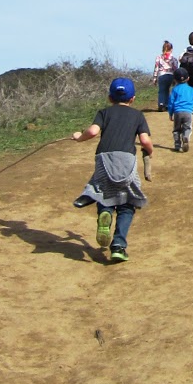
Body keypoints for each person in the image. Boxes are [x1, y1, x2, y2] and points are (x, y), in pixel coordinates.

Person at [70, 76, 153, 263]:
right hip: (126, 161)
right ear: (132, 99)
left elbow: (92, 132)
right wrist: (149, 151)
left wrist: (78, 137)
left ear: (110, 98)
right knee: (128, 202)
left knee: (104, 192)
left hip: (103, 159)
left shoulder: (104, 112)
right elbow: (146, 141)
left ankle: (104, 211)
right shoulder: (138, 116)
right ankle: (118, 246)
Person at [167, 71, 193, 151]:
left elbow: (171, 102)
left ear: (175, 79)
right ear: (188, 78)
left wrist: (170, 113)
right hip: (188, 112)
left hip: (177, 112)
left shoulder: (174, 89)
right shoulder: (191, 89)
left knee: (177, 129)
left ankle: (177, 145)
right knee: (187, 127)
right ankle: (186, 137)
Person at [152, 41, 177, 113]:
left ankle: (161, 104)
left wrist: (154, 78)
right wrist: (175, 78)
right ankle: (167, 104)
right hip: (171, 75)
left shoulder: (159, 58)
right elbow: (175, 68)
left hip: (162, 75)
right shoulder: (173, 58)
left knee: (162, 90)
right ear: (171, 49)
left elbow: (156, 68)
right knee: (168, 90)